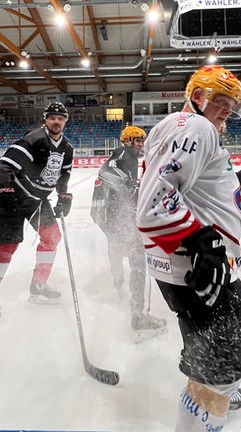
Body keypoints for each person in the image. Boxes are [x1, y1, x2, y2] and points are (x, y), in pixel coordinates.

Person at [136, 65, 241, 431]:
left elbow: (188, 194)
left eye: (232, 105)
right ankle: (212, 393)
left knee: (222, 348)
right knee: (222, 361)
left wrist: (224, 236)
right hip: (195, 264)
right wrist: (200, 242)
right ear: (197, 96)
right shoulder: (194, 126)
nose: (227, 111)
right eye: (220, 101)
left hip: (198, 260)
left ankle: (216, 386)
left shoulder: (191, 128)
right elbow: (154, 205)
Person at [0, 102, 74, 324]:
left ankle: (38, 285)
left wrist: (64, 196)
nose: (56, 121)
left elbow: (63, 176)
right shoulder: (34, 139)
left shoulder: (67, 148)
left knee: (52, 237)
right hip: (15, 195)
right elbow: (4, 165)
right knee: (6, 246)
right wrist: (5, 190)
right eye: (52, 117)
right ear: (46, 119)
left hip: (38, 201)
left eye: (60, 118)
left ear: (65, 121)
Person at [90, 126, 167, 342]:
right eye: (137, 141)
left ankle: (117, 279)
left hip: (109, 218)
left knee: (116, 249)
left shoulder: (124, 156)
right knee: (139, 261)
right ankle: (138, 316)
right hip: (118, 217)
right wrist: (131, 190)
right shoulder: (126, 154)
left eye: (142, 141)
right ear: (127, 141)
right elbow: (107, 173)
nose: (141, 145)